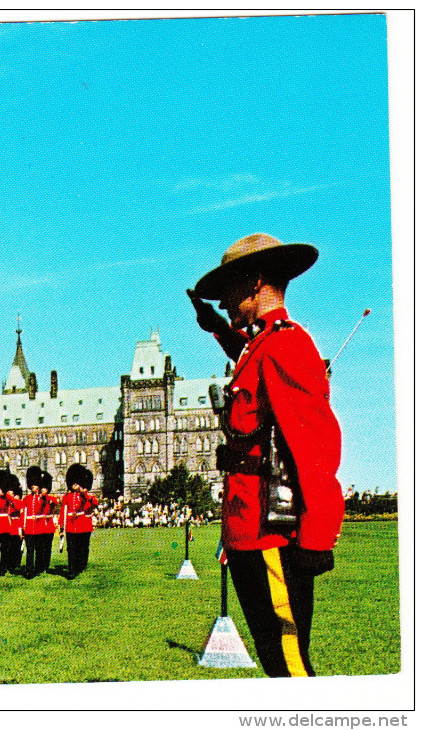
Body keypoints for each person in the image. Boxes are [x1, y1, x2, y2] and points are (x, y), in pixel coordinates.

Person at [189, 232, 344, 678]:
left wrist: (316, 538)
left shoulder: (287, 344)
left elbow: (315, 448)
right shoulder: (263, 346)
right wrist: (219, 329)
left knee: (290, 667)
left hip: (270, 537)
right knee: (276, 662)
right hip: (248, 533)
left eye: (228, 292)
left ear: (255, 282)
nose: (224, 302)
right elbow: (252, 359)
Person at [59, 464, 98, 579]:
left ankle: (80, 565)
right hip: (71, 524)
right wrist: (61, 526)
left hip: (83, 524)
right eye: (73, 482)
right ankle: (72, 569)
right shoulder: (67, 496)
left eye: (77, 482)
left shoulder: (86, 495)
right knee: (71, 548)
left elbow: (94, 503)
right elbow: (63, 512)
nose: (75, 484)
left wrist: (84, 493)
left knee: (82, 547)